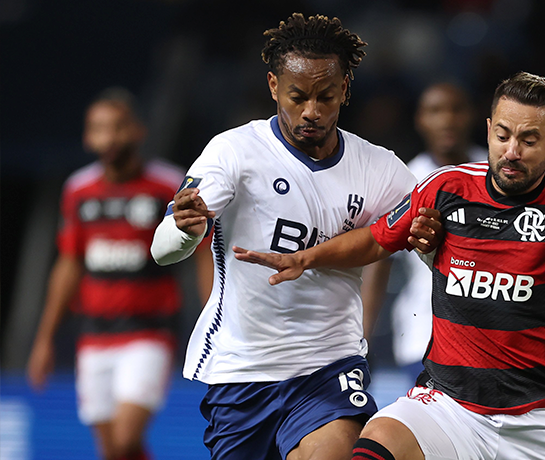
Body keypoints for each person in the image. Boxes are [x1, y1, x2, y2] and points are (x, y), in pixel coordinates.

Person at [232, 72, 545, 460]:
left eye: (529, 140)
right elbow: (376, 239)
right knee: (376, 442)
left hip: (538, 419)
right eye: (503, 135)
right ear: (488, 130)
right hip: (447, 405)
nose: (511, 152)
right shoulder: (445, 186)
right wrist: (305, 258)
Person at [149, 13, 443, 460]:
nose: (311, 110)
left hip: (329, 365)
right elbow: (162, 250)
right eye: (297, 96)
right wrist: (184, 232)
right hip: (242, 370)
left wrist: (429, 240)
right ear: (273, 87)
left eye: (326, 96)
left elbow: (436, 243)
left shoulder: (379, 169)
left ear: (345, 89)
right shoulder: (234, 152)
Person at [27, 87, 212, 460]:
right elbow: (69, 264)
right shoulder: (78, 190)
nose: (109, 138)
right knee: (114, 451)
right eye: (99, 128)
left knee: (126, 439)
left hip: (149, 330)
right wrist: (44, 338)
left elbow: (204, 254)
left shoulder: (168, 184)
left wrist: (213, 318)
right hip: (93, 334)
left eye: (117, 127)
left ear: (137, 131)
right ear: (87, 136)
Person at [361, 82, 488, 382]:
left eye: (455, 110)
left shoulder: (499, 173)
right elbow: (379, 259)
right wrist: (362, 339)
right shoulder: (405, 182)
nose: (447, 120)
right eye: (435, 111)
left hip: (492, 337)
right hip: (425, 337)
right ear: (420, 119)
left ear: (471, 116)